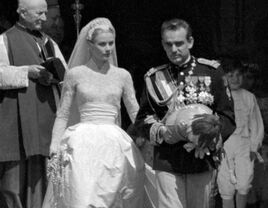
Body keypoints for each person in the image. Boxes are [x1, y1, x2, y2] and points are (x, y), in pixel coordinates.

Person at [42, 17, 145, 208]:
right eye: (102, 44)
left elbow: (134, 110)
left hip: (114, 142)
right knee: (82, 193)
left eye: (111, 43)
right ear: (89, 45)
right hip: (83, 141)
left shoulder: (122, 75)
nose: (108, 48)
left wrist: (146, 135)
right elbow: (63, 113)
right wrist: (55, 145)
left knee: (116, 193)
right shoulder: (76, 74)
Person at [134, 18, 236, 208]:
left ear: (190, 42)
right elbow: (142, 120)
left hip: (201, 158)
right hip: (167, 159)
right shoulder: (154, 77)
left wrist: (210, 138)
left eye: (179, 43)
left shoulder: (212, 72)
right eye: (169, 44)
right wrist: (162, 132)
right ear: (163, 45)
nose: (174, 49)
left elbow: (227, 116)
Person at [0, 0, 67, 207]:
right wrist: (26, 71)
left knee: (43, 180)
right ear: (22, 12)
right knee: (13, 183)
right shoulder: (5, 39)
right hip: (17, 119)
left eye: (46, 14)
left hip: (45, 116)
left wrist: (53, 77)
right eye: (39, 13)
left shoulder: (49, 43)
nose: (44, 19)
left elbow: (65, 75)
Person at [217, 59, 264, 208]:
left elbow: (256, 124)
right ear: (223, 77)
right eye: (231, 75)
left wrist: (254, 147)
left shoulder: (249, 97)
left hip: (244, 144)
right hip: (224, 145)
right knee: (226, 185)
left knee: (243, 183)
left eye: (238, 75)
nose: (235, 79)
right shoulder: (218, 97)